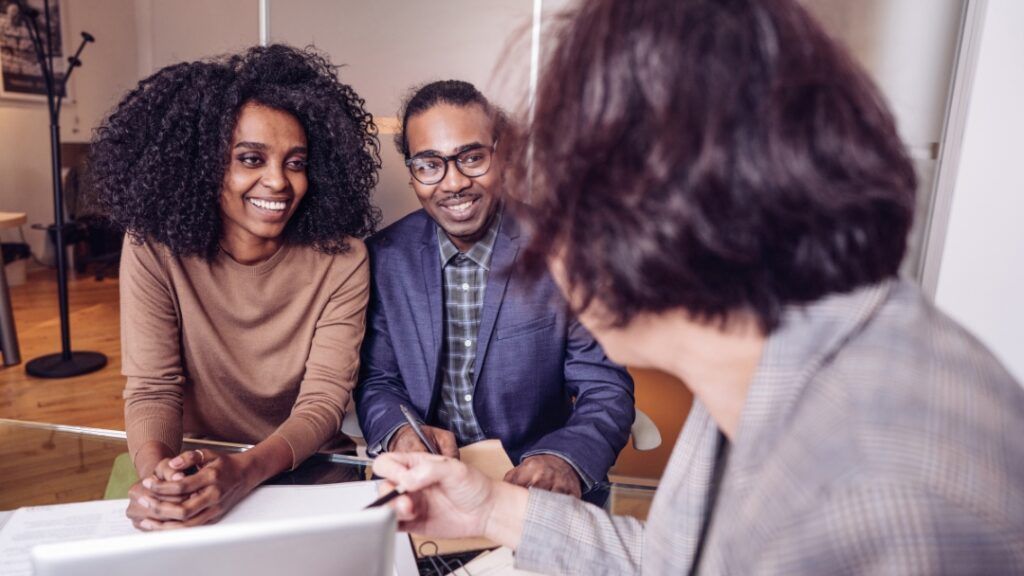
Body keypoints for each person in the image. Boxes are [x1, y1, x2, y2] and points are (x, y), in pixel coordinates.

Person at [370, 0, 1024, 573]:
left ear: (661, 197)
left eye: (563, 186)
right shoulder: (766, 371)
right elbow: (676, 563)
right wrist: (488, 504)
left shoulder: (883, 492)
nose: (546, 237)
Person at [90, 44, 381, 530]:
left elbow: (324, 402)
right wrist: (159, 474)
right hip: (201, 463)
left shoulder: (342, 258)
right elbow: (153, 387)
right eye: (250, 158)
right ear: (202, 165)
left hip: (308, 469)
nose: (278, 182)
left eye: (295, 162)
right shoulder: (153, 248)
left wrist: (242, 474)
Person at [355, 80, 634, 502]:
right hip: (429, 485)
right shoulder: (384, 258)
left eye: (471, 157)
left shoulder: (565, 250)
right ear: (412, 173)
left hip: (531, 488)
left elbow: (605, 385)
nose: (453, 183)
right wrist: (399, 434)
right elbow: (378, 380)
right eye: (430, 164)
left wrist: (563, 458)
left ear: (501, 156)